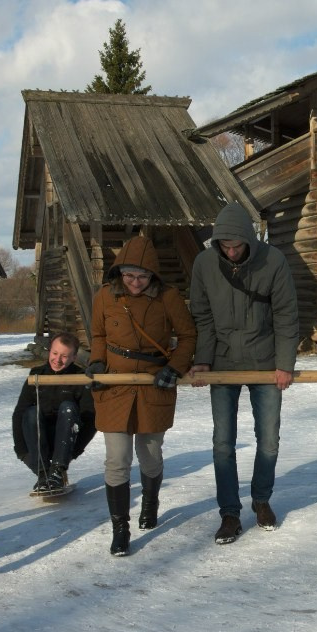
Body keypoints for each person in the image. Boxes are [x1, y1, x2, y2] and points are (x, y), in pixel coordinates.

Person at [188, 202, 300, 544]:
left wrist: (285, 364)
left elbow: (285, 315)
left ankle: (262, 500)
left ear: (250, 241)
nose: (232, 252)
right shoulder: (205, 264)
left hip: (265, 362)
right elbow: (202, 316)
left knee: (268, 439)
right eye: (226, 246)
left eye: (237, 246)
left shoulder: (273, 261)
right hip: (223, 362)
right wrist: (204, 359)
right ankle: (229, 513)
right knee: (223, 442)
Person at [84, 235, 196, 557]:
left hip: (154, 386)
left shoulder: (169, 297)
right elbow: (99, 334)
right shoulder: (105, 297)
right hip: (115, 387)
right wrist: (96, 360)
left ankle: (151, 500)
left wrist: (173, 368)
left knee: (150, 455)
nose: (135, 282)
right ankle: (120, 528)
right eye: (129, 275)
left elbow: (188, 336)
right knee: (117, 460)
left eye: (142, 276)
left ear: (153, 276)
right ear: (120, 273)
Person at [11, 332, 96, 493]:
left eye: (64, 356)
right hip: (38, 437)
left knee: (68, 407)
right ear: (49, 351)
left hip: (66, 439)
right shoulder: (36, 375)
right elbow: (19, 414)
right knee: (30, 412)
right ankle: (43, 474)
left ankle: (57, 471)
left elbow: (90, 419)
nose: (57, 360)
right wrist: (22, 451)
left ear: (74, 357)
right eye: (55, 353)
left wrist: (75, 451)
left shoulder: (80, 378)